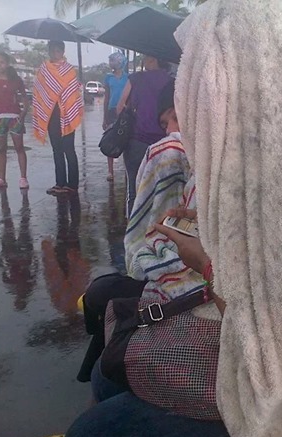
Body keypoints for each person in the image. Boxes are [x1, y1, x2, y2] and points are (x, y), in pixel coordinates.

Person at [64, 0, 282, 437]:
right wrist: (215, 224)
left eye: (196, 76)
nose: (188, 93)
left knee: (91, 434)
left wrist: (202, 260)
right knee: (112, 376)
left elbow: (267, 342)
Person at [75, 79, 192, 382]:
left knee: (101, 295)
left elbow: (147, 228)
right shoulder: (198, 158)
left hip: (186, 284)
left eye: (174, 119)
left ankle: (97, 377)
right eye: (166, 124)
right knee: (104, 296)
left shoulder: (168, 152)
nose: (170, 131)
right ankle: (98, 372)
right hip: (184, 274)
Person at [116, 54, 173, 218]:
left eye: (147, 58)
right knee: (160, 188)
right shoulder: (171, 81)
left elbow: (120, 108)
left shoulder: (135, 79)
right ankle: (155, 229)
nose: (144, 61)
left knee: (134, 189)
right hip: (163, 143)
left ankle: (132, 231)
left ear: (154, 59)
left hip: (136, 141)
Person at [33, 40, 83, 196]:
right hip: (50, 114)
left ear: (62, 51)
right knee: (57, 150)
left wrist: (62, 98)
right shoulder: (43, 70)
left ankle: (72, 184)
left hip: (67, 114)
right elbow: (39, 90)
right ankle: (60, 183)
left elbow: (73, 93)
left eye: (57, 50)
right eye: (52, 50)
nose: (55, 53)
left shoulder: (70, 71)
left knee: (69, 149)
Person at [0, 52, 30, 190]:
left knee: (19, 147)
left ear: (7, 64)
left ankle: (23, 178)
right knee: (1, 149)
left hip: (14, 117)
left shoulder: (16, 80)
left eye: (2, 62)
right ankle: (1, 179)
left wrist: (23, 113)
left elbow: (25, 97)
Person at [102, 52, 129, 182]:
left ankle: (126, 169)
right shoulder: (108, 78)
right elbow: (106, 97)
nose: (111, 63)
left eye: (113, 60)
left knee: (125, 139)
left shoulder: (128, 78)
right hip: (111, 111)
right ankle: (110, 171)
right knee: (110, 138)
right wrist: (104, 117)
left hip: (124, 111)